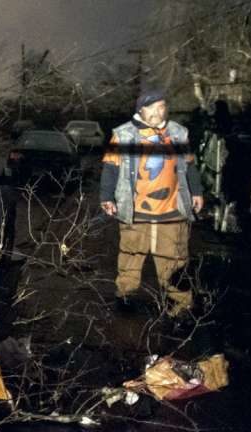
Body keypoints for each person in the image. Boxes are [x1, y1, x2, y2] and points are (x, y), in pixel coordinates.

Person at [100, 89, 204, 317]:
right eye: (152, 107)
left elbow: (190, 165)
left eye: (161, 107)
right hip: (135, 211)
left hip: (173, 211)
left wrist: (196, 191)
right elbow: (110, 168)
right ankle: (125, 297)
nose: (158, 112)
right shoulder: (123, 135)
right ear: (141, 110)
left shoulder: (177, 133)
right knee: (131, 254)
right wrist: (106, 197)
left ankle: (180, 305)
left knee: (175, 260)